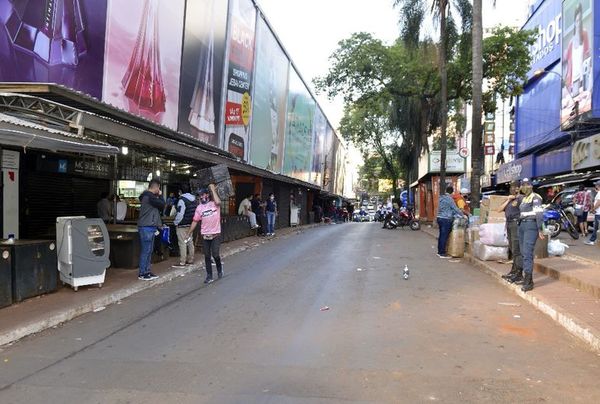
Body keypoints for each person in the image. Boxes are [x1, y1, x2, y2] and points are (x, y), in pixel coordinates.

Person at [186, 184, 223, 284]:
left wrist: (212, 189)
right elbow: (195, 221)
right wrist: (189, 233)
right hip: (205, 235)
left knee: (215, 254)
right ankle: (209, 276)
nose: (202, 197)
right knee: (207, 256)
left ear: (208, 195)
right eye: (200, 196)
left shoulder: (214, 203)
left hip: (215, 234)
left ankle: (219, 269)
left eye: (204, 194)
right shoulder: (199, 208)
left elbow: (219, 201)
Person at [517, 178, 545, 292]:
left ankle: (528, 282)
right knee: (523, 252)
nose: (525, 186)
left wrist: (540, 229)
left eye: (528, 184)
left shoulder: (536, 198)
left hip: (531, 226)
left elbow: (539, 214)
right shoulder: (524, 199)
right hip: (522, 225)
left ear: (532, 186)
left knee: (527, 253)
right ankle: (527, 278)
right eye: (523, 184)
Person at [137, 179, 165, 281]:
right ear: (156, 187)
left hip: (149, 227)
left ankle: (147, 271)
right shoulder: (149, 196)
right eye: (159, 188)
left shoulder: (147, 196)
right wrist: (160, 195)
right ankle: (142, 273)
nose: (159, 190)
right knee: (146, 251)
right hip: (146, 227)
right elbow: (162, 204)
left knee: (149, 251)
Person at [564, 3, 591, 100]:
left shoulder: (584, 33)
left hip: (583, 79)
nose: (578, 23)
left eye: (580, 20)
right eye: (576, 21)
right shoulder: (571, 43)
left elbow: (588, 56)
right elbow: (568, 67)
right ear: (574, 22)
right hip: (573, 82)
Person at [498, 182, 524, 283]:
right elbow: (499, 209)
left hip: (516, 224)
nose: (513, 189)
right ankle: (513, 271)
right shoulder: (510, 200)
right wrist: (508, 199)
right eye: (511, 187)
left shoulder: (521, 199)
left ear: (519, 188)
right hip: (508, 224)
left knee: (517, 249)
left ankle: (519, 273)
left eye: (515, 187)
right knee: (512, 248)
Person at [437, 185, 466, 259]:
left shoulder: (441, 198)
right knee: (444, 236)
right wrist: (463, 215)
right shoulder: (450, 199)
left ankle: (439, 251)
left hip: (439, 218)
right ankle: (442, 253)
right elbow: (455, 208)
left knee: (441, 235)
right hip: (446, 219)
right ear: (452, 192)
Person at [173, 184, 198, 267]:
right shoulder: (194, 199)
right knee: (190, 241)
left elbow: (180, 214)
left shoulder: (182, 200)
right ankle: (191, 259)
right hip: (191, 224)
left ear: (180, 191)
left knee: (182, 243)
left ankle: (182, 262)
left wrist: (176, 222)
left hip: (182, 225)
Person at [584, 180, 600, 245]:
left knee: (596, 227)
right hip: (598, 212)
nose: (595, 186)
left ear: (598, 186)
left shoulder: (599, 193)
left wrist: (593, 209)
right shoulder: (598, 192)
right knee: (596, 227)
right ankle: (594, 240)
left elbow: (599, 203)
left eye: (596, 185)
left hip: (598, 213)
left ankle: (592, 241)